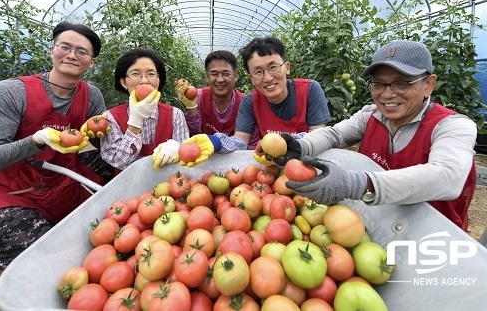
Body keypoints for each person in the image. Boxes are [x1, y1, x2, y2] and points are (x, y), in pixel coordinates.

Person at [272, 40, 477, 231]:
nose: (387, 94)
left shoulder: (453, 126)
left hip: (432, 235)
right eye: (379, 84)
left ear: (429, 85)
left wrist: (358, 184)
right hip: (377, 225)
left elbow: (447, 177)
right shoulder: (371, 116)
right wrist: (302, 147)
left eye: (401, 83)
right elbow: (334, 135)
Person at [0, 21, 113, 269]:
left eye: (81, 52)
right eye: (64, 47)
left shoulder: (91, 96)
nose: (71, 55)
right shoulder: (10, 92)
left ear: (92, 62)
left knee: (95, 228)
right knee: (44, 256)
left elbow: (98, 145)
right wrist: (37, 140)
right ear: (52, 50)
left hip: (53, 179)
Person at [170, 36, 332, 167]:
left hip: (306, 167)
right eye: (258, 72)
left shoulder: (309, 90)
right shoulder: (250, 101)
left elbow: (319, 136)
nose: (268, 78)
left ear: (287, 67)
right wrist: (216, 141)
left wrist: (284, 144)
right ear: (251, 79)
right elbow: (240, 141)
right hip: (272, 170)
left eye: (273, 67)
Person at [100, 47, 189, 172]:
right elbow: (118, 162)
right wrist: (135, 122)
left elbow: (185, 157)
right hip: (128, 186)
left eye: (151, 74)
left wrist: (176, 148)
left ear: (159, 81)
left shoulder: (175, 115)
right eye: (135, 74)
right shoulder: (110, 117)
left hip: (170, 185)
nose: (144, 81)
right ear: (123, 82)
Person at [175, 50, 258, 148]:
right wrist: (191, 108)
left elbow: (252, 144)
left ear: (235, 77)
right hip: (204, 158)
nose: (220, 80)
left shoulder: (245, 102)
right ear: (207, 77)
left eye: (226, 74)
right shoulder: (198, 97)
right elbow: (192, 136)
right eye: (214, 74)